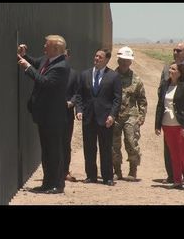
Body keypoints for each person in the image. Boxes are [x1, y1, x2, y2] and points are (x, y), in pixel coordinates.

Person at [17, 35, 70, 194]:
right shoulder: (48, 61)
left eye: (46, 45)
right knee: (46, 151)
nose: (44, 47)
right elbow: (36, 63)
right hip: (45, 116)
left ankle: (57, 185)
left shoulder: (61, 66)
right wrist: (24, 55)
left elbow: (45, 82)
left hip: (54, 117)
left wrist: (27, 68)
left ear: (56, 49)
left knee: (54, 152)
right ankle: (48, 183)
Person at [76, 48, 121, 186]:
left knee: (105, 148)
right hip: (88, 117)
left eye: (100, 57)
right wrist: (79, 110)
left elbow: (117, 99)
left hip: (105, 119)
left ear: (107, 60)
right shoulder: (84, 75)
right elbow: (79, 95)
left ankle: (107, 177)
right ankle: (91, 176)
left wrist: (112, 115)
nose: (96, 58)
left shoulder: (113, 76)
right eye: (95, 56)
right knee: (89, 148)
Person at [112, 46, 147, 181]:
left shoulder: (136, 79)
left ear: (131, 62)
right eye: (122, 60)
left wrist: (141, 116)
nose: (124, 63)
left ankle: (133, 170)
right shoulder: (111, 77)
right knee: (113, 145)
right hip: (114, 115)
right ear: (118, 60)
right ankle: (117, 171)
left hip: (131, 116)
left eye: (127, 60)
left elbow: (142, 100)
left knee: (131, 142)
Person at [158, 42, 184, 184]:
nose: (175, 52)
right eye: (174, 50)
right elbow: (161, 87)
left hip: (182, 118)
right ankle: (173, 176)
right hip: (168, 119)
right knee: (170, 150)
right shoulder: (167, 67)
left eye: (179, 50)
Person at [63, 48, 79, 182]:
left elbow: (77, 93)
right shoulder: (52, 72)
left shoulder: (73, 74)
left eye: (65, 55)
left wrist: (72, 102)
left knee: (66, 144)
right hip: (52, 114)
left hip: (67, 114)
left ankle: (65, 171)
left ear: (68, 56)